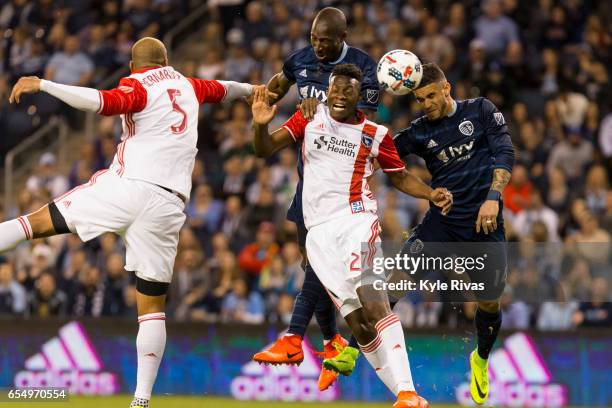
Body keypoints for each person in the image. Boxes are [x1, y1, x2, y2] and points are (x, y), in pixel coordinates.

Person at [4, 37, 254, 408]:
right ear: (166, 60)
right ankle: (140, 400)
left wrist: (44, 84)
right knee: (152, 307)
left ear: (135, 67)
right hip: (169, 205)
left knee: (36, 224)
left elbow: (100, 102)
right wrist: (255, 90)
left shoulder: (137, 84)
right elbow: (227, 89)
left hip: (128, 187)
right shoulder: (188, 84)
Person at [251, 63, 452, 408]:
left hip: (355, 221)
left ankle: (406, 390)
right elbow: (263, 149)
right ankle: (410, 399)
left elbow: (399, 177)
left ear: (360, 96)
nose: (341, 95)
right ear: (327, 90)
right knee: (358, 324)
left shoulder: (376, 133)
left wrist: (430, 193)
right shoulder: (307, 120)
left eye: (349, 91)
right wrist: (259, 123)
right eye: (336, 89)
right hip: (318, 235)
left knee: (373, 299)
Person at [329, 63, 514, 406]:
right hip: (441, 223)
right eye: (418, 98)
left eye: (430, 96)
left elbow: (505, 153)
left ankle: (481, 359)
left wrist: (493, 197)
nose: (425, 104)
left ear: (447, 88)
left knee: (489, 301)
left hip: (484, 224)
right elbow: (381, 154)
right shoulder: (417, 132)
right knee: (393, 284)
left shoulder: (481, 110)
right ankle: (351, 351)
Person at [253, 6, 380, 391]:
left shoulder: (364, 67)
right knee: (315, 265)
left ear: (343, 36)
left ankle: (297, 338)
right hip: (309, 183)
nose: (318, 46)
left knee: (322, 268)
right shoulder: (300, 60)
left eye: (325, 40)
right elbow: (274, 88)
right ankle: (330, 345)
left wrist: (320, 105)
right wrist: (261, 100)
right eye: (313, 39)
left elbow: (361, 120)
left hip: (343, 189)